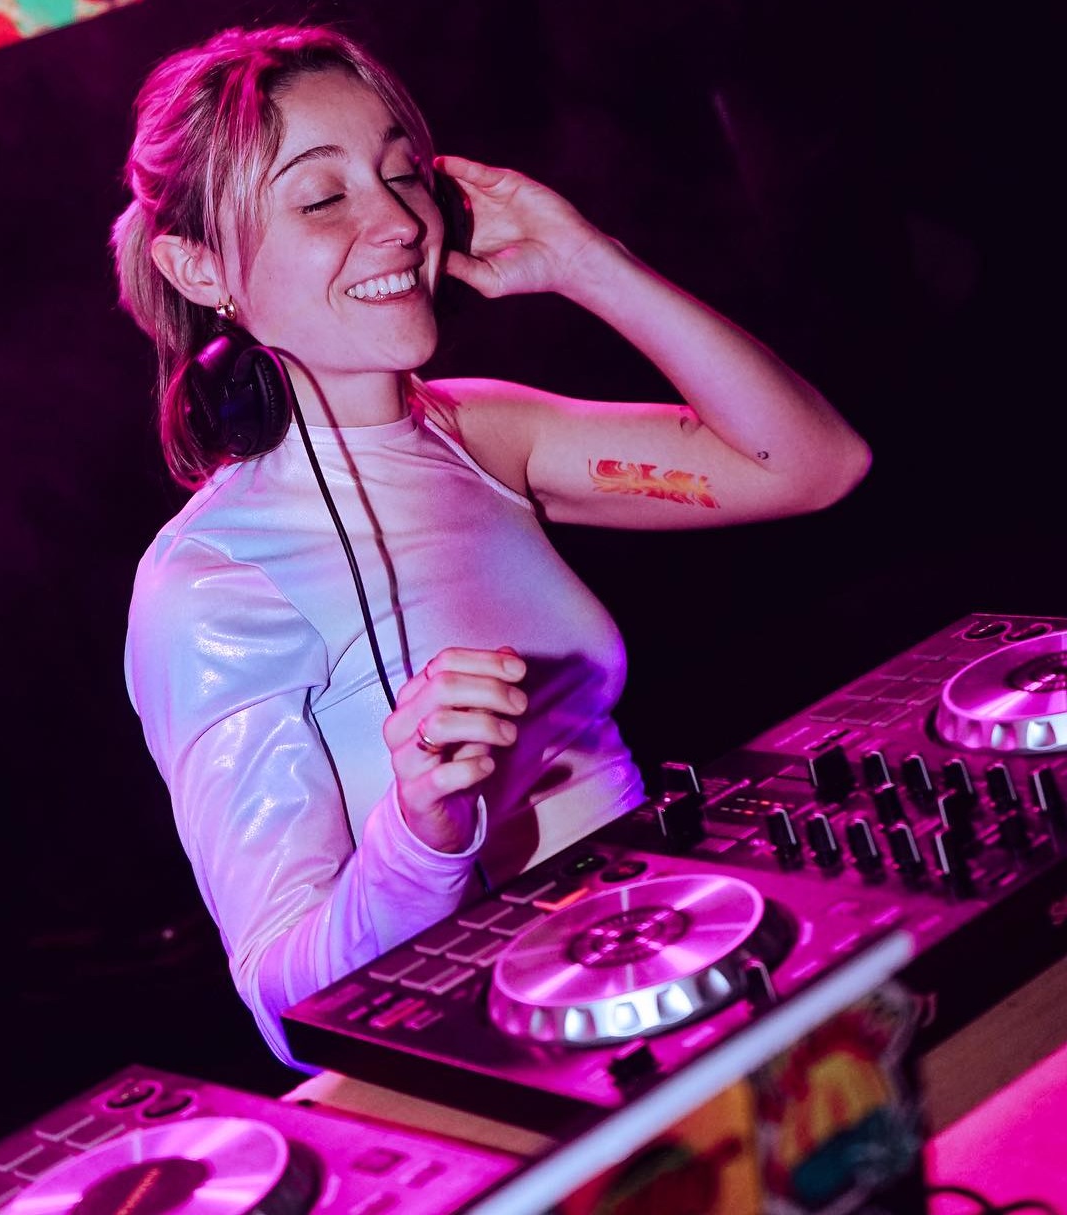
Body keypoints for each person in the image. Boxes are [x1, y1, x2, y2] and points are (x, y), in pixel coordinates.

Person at [111, 25, 870, 1067]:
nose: (397, 222)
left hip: (677, 957)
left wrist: (589, 264)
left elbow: (813, 464)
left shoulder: (477, 431)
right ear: (198, 267)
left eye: (402, 173)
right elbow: (292, 1007)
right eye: (323, 197)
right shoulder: (212, 582)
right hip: (516, 1061)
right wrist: (421, 830)